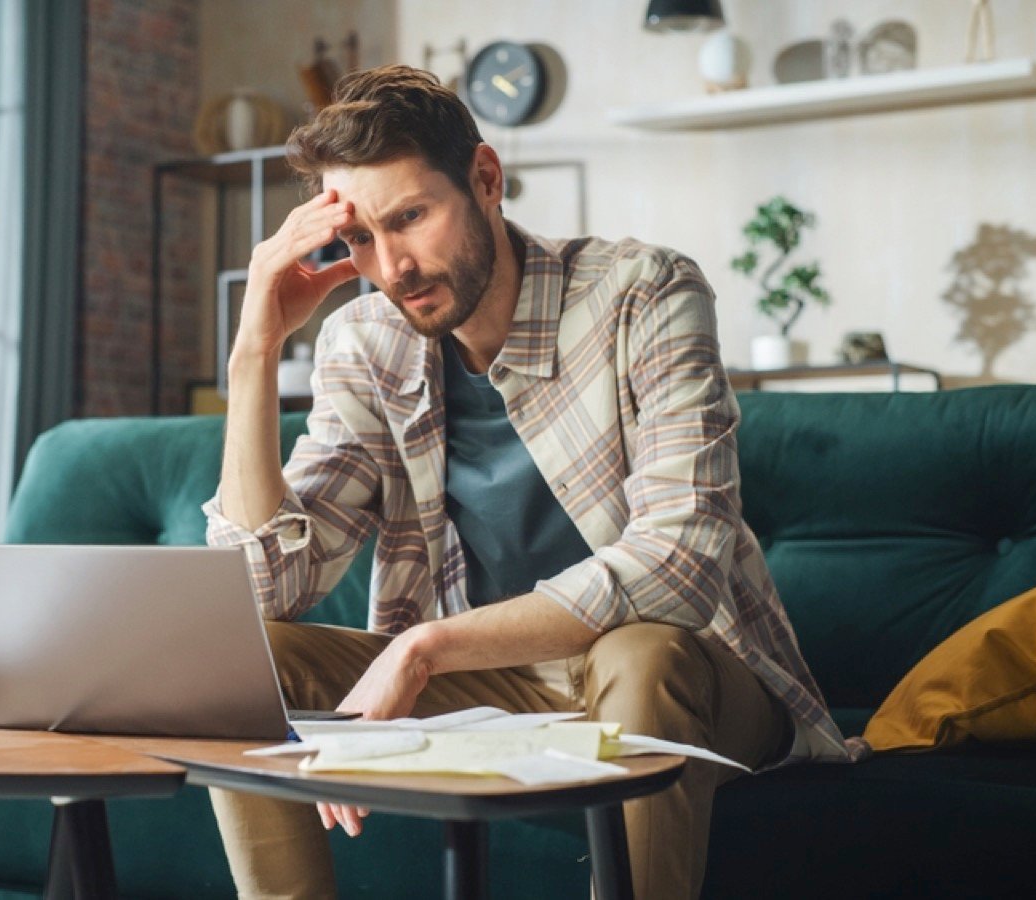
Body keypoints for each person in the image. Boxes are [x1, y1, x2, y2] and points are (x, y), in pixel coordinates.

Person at [202, 64, 853, 900]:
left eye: (411, 217)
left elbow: (678, 563)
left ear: (485, 179)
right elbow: (264, 587)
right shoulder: (364, 343)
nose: (393, 266)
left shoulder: (642, 294)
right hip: (496, 688)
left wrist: (424, 648)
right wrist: (252, 352)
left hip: (684, 676)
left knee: (641, 652)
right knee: (246, 661)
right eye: (361, 239)